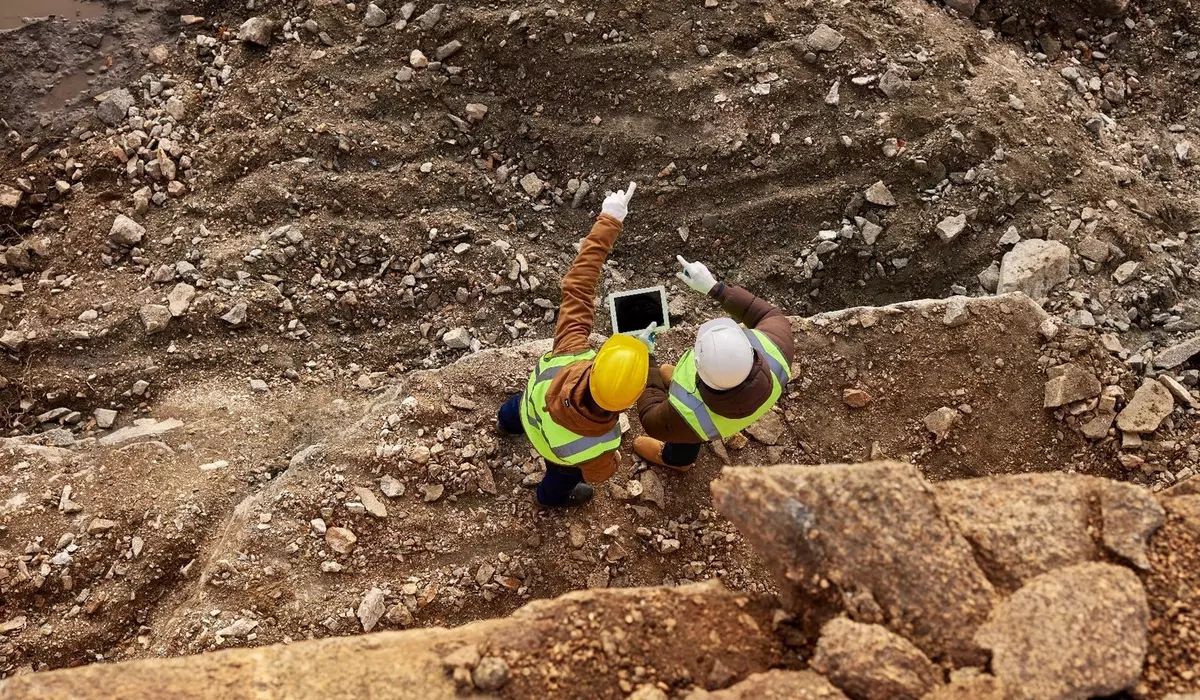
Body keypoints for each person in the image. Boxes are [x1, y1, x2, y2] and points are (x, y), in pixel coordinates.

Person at [496, 182, 652, 507]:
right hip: (557, 455)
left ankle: (506, 424)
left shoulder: (571, 350)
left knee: (514, 410)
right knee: (562, 481)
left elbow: (578, 285)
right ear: (629, 401)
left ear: (598, 362)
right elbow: (598, 473)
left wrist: (609, 220)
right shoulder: (604, 441)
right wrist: (614, 464)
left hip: (529, 410)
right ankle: (549, 499)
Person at [634, 256, 795, 471]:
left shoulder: (688, 414)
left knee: (686, 437)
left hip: (695, 424)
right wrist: (715, 288)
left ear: (698, 369)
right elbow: (767, 313)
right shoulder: (777, 351)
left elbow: (650, 416)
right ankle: (676, 387)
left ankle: (678, 461)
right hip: (743, 404)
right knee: (686, 419)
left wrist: (647, 358)